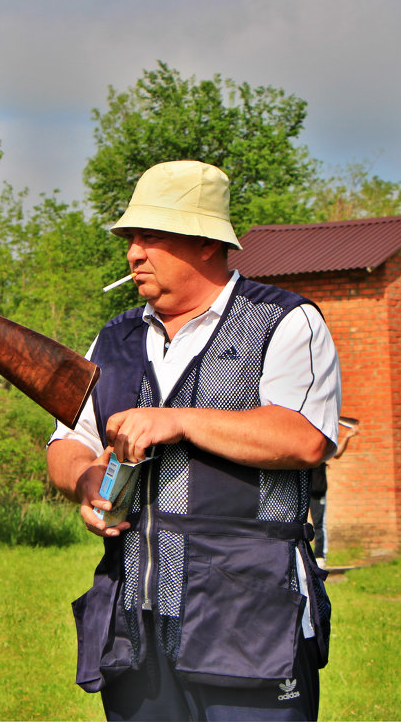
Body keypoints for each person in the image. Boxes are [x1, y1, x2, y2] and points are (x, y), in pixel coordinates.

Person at [47, 160, 342, 721]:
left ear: (207, 242)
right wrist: (86, 482)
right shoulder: (113, 337)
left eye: (151, 236)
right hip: (134, 627)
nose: (134, 252)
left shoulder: (284, 321)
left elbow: (305, 437)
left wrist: (179, 420)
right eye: (131, 238)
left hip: (249, 626)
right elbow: (66, 444)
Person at [309, 418, 360, 569]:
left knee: (319, 524)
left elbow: (337, 453)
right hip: (305, 492)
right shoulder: (304, 448)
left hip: (318, 492)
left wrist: (347, 437)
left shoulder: (322, 448)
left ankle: (319, 557)